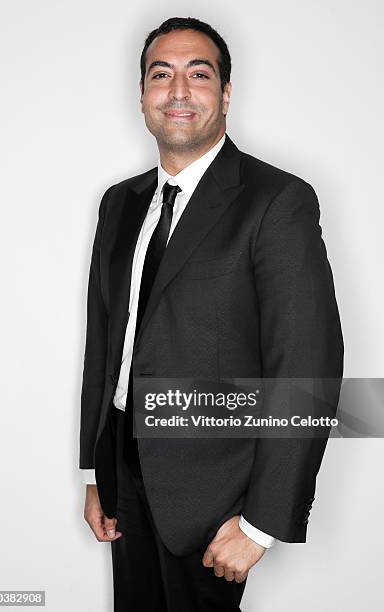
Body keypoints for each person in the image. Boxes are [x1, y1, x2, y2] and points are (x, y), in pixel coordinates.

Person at [79, 16, 344, 612]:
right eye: (160, 75)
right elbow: (106, 342)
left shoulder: (276, 200)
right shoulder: (119, 204)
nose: (177, 91)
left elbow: (307, 362)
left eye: (198, 74)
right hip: (124, 464)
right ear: (142, 95)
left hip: (215, 485)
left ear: (225, 94)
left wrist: (261, 524)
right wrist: (94, 469)